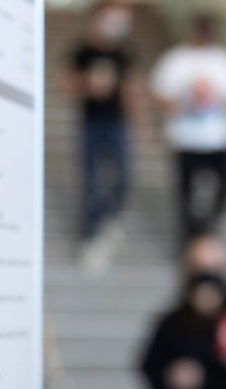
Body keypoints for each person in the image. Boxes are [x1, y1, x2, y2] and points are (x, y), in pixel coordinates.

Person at [150, 14, 226, 242]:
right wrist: (187, 99)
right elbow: (161, 99)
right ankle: (189, 236)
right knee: (186, 193)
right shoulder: (175, 60)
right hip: (186, 139)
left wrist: (214, 98)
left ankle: (208, 228)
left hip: (218, 139)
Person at [64, 1, 138, 272]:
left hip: (117, 124)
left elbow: (131, 88)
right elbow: (68, 84)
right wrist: (89, 85)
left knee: (123, 176)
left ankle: (110, 219)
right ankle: (91, 234)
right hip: (91, 123)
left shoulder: (123, 53)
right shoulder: (83, 51)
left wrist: (137, 126)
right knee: (91, 179)